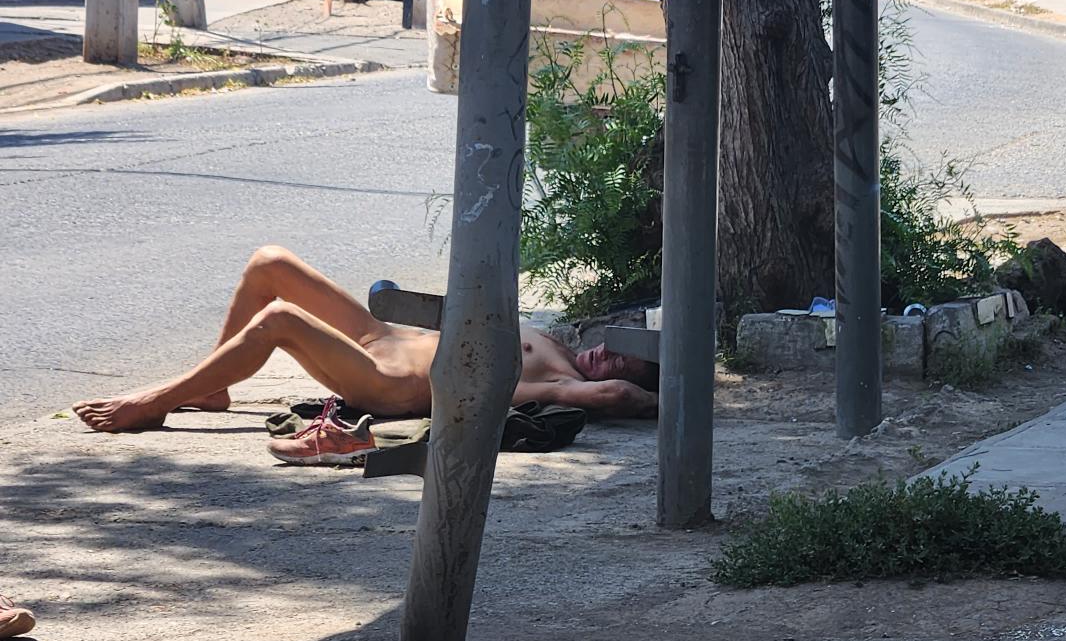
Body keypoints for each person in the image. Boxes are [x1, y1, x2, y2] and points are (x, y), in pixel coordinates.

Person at [72, 246, 659, 434]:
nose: (606, 348)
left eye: (621, 357)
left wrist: (678, 401)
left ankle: (156, 403)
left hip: (390, 383)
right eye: (615, 342)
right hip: (379, 337)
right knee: (269, 264)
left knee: (279, 319)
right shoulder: (558, 342)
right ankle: (214, 390)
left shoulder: (561, 385)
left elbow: (620, 400)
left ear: (621, 376)